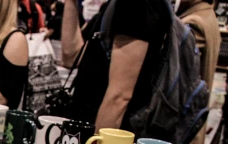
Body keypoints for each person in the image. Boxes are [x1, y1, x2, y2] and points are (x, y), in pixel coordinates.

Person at [61, 0, 172, 131]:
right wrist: (71, 3)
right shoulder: (112, 6)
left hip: (110, 137)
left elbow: (119, 97)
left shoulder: (137, 4)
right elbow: (71, 56)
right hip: (86, 130)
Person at [179, 0, 220, 144]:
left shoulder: (193, 22)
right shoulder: (208, 16)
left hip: (181, 129)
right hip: (192, 124)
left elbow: (177, 81)